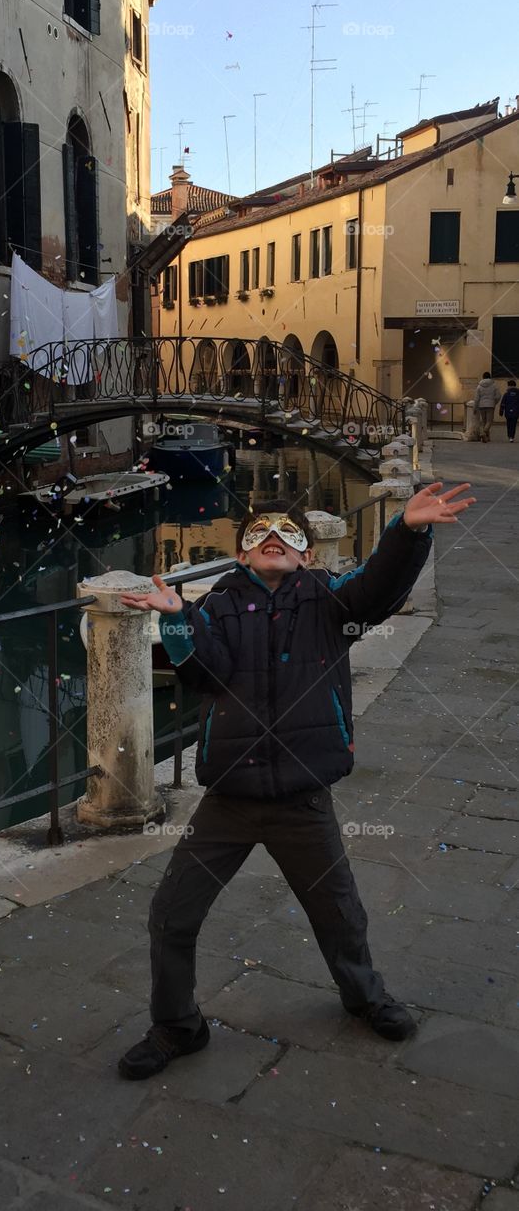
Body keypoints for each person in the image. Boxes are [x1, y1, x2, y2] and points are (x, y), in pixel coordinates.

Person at [116, 484, 476, 1081]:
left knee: (339, 913)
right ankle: (177, 1024)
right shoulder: (218, 605)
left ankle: (365, 997)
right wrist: (180, 621)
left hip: (303, 797)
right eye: (260, 536)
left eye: (288, 536)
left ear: (307, 554)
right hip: (228, 800)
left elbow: (379, 589)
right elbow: (205, 674)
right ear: (242, 554)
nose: (274, 542)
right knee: (171, 915)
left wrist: (407, 532)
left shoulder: (331, 599)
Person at [473, 371, 500, 442]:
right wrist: (494, 402)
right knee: (489, 421)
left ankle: (487, 438)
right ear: (490, 377)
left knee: (484, 421)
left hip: (481, 406)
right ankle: (484, 432)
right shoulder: (494, 385)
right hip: (490, 405)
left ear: (483, 377)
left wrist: (475, 407)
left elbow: (476, 398)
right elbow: (498, 396)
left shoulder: (479, 386)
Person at [499, 379, 519, 443]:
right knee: (513, 424)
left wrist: (501, 411)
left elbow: (503, 403)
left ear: (509, 386)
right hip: (516, 412)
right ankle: (512, 437)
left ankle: (509, 435)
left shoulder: (506, 394)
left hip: (508, 412)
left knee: (508, 424)